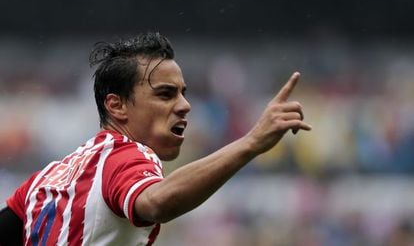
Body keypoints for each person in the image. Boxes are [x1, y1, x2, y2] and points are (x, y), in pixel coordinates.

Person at [0, 32, 312, 245]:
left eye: (182, 94)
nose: (184, 105)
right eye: (165, 94)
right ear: (117, 105)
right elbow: (157, 202)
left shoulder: (50, 176)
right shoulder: (127, 155)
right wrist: (251, 142)